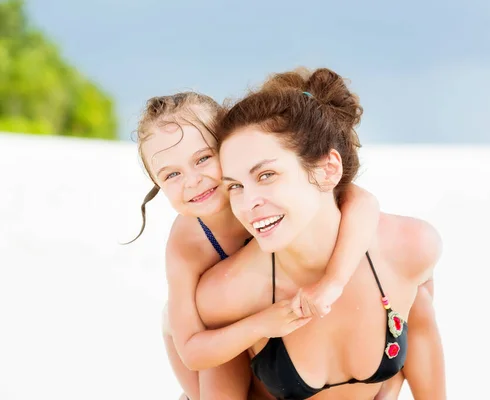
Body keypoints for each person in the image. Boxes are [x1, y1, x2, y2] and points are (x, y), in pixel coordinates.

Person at [195, 67, 445, 400]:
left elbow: (419, 332)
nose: (248, 203)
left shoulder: (410, 248)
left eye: (267, 175)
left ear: (328, 170)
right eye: (236, 186)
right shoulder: (229, 296)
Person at [131, 91, 383, 399]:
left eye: (204, 158)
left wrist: (334, 281)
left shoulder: (271, 193)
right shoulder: (188, 243)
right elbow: (193, 350)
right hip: (216, 336)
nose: (193, 180)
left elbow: (362, 201)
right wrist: (261, 324)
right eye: (171, 174)